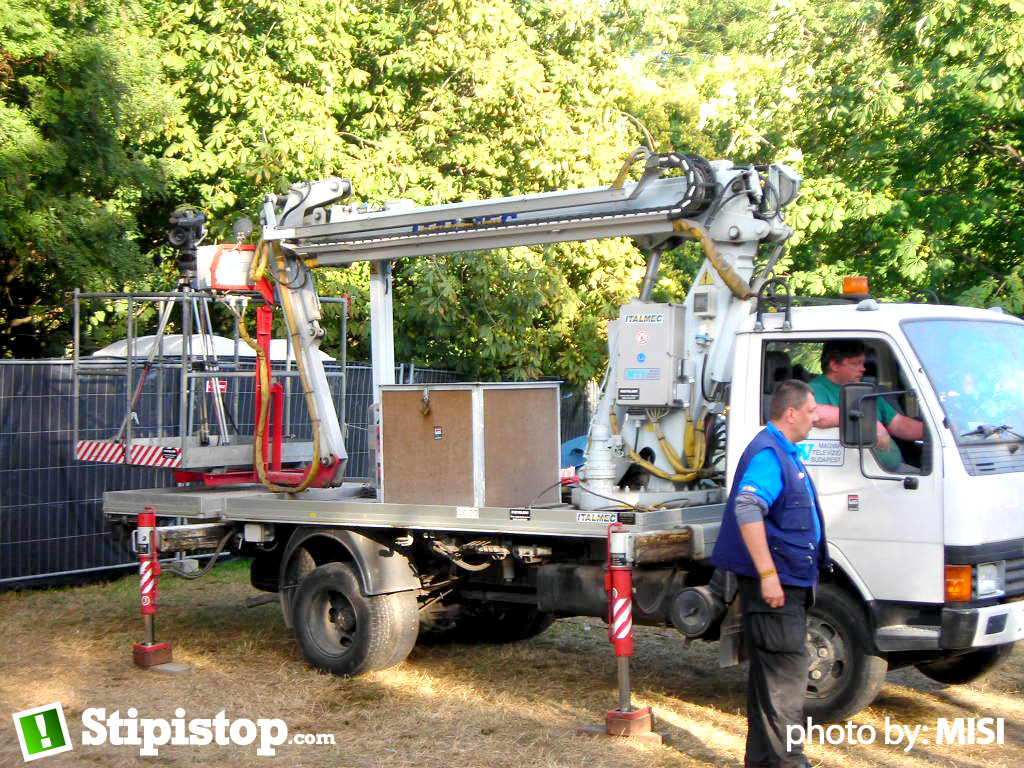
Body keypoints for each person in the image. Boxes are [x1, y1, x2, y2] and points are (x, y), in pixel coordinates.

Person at [712, 379, 828, 768]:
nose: (815, 418)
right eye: (811, 411)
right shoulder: (768, 453)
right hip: (776, 587)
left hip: (787, 583)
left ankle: (763, 762)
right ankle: (787, 762)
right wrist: (768, 574)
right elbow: (747, 508)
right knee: (786, 683)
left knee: (772, 679)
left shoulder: (783, 450)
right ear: (791, 413)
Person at [809, 340, 924, 470]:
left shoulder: (866, 390)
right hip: (854, 474)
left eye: (863, 363)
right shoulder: (815, 389)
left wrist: (930, 431)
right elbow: (813, 413)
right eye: (856, 363)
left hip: (890, 470)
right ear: (834, 365)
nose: (863, 368)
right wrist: (866, 422)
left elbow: (899, 424)